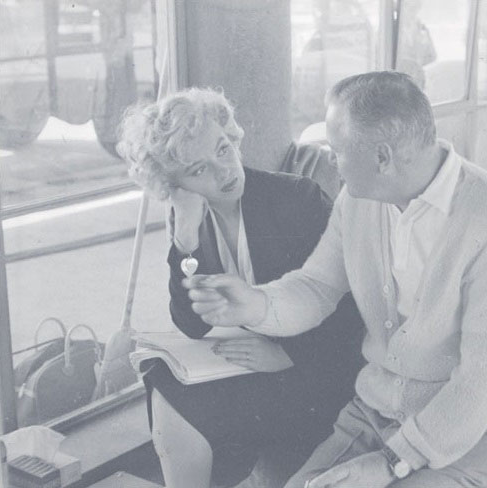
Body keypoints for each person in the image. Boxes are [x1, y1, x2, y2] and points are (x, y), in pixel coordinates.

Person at [183, 72, 487, 488]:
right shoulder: (358, 200)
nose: (330, 161)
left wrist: (390, 463)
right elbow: (317, 286)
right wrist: (254, 304)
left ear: (382, 158)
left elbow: (480, 382)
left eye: (337, 151)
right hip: (379, 415)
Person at [116, 88, 365, 488]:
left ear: (232, 135)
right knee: (163, 379)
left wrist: (287, 354)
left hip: (314, 369)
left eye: (223, 149)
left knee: (196, 407)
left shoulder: (296, 199)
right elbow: (192, 324)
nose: (224, 171)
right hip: (251, 366)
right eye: (199, 170)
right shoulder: (191, 219)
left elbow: (352, 310)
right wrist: (185, 241)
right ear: (174, 187)